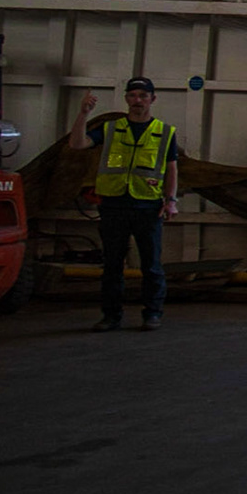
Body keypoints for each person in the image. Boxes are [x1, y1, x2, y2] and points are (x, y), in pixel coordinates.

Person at [69, 78, 180, 331]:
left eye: (143, 95)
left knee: (151, 265)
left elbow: (171, 168)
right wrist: (83, 113)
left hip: (148, 208)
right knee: (112, 266)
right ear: (127, 99)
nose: (137, 100)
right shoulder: (110, 129)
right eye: (132, 95)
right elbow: (77, 144)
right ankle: (111, 316)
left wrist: (170, 200)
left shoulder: (165, 132)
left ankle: (152, 313)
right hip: (113, 206)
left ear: (153, 99)